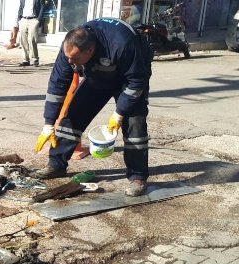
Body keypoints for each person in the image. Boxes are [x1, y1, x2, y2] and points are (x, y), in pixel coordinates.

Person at [32, 18, 153, 196]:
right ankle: (56, 165)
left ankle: (137, 177)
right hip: (98, 75)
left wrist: (119, 113)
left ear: (90, 49)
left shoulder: (123, 44)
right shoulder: (71, 48)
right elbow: (58, 84)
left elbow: (137, 81)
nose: (71, 62)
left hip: (130, 79)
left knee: (135, 126)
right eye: (68, 58)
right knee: (73, 116)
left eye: (75, 59)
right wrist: (49, 123)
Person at [17, 0, 45, 66]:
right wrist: (19, 18)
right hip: (23, 19)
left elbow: (42, 6)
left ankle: (35, 58)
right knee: (23, 40)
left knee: (32, 39)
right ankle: (25, 60)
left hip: (34, 19)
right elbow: (21, 7)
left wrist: (39, 19)